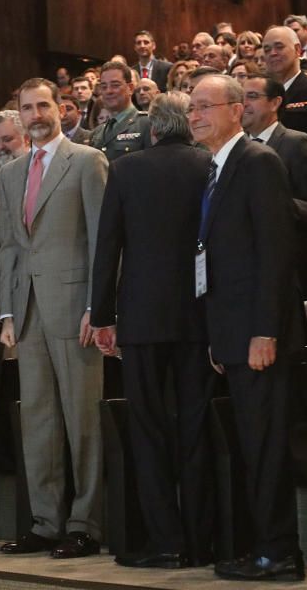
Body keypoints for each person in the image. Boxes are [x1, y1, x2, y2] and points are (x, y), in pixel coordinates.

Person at [90, 92, 216, 569]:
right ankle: (202, 541)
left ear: (153, 130)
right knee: (195, 428)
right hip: (199, 316)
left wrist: (102, 316)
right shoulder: (208, 165)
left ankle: (166, 542)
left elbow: (108, 248)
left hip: (141, 320)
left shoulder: (126, 170)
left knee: (148, 430)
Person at [187, 74, 303, 582]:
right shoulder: (216, 168)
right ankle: (263, 546)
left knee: (266, 446)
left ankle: (279, 552)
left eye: (205, 106)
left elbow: (275, 253)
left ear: (237, 110)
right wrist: (220, 335)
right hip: (232, 334)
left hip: (259, 336)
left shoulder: (258, 163)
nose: (194, 115)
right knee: (251, 446)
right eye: (190, 108)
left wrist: (263, 331)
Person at [0, 77, 107, 558]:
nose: (36, 115)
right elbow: (8, 247)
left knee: (82, 419)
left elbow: (104, 241)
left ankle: (85, 522)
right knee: (37, 420)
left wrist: (97, 307)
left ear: (61, 108)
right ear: (18, 115)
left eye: (43, 105)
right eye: (27, 108)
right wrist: (6, 311)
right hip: (27, 311)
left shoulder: (87, 160)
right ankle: (45, 521)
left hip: (74, 310)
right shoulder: (9, 172)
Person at [241, 73, 307, 300]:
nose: (244, 104)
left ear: (275, 102)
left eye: (252, 96)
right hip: (251, 269)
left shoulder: (297, 143)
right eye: (241, 97)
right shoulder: (239, 148)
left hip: (294, 272)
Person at [90, 61, 151, 161]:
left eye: (115, 85)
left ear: (130, 88)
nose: (108, 91)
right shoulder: (97, 132)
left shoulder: (147, 124)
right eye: (104, 86)